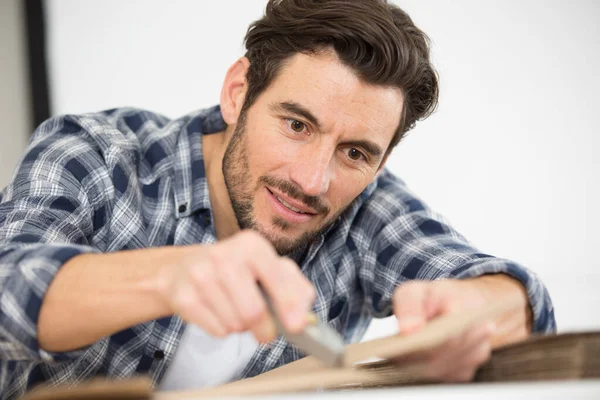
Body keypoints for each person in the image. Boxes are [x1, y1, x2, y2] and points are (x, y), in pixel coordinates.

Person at [0, 0, 555, 397]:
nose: (313, 182)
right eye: (296, 124)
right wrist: (171, 276)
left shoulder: (365, 208)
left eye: (356, 153)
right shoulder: (99, 153)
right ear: (239, 92)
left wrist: (478, 314)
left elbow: (506, 296)